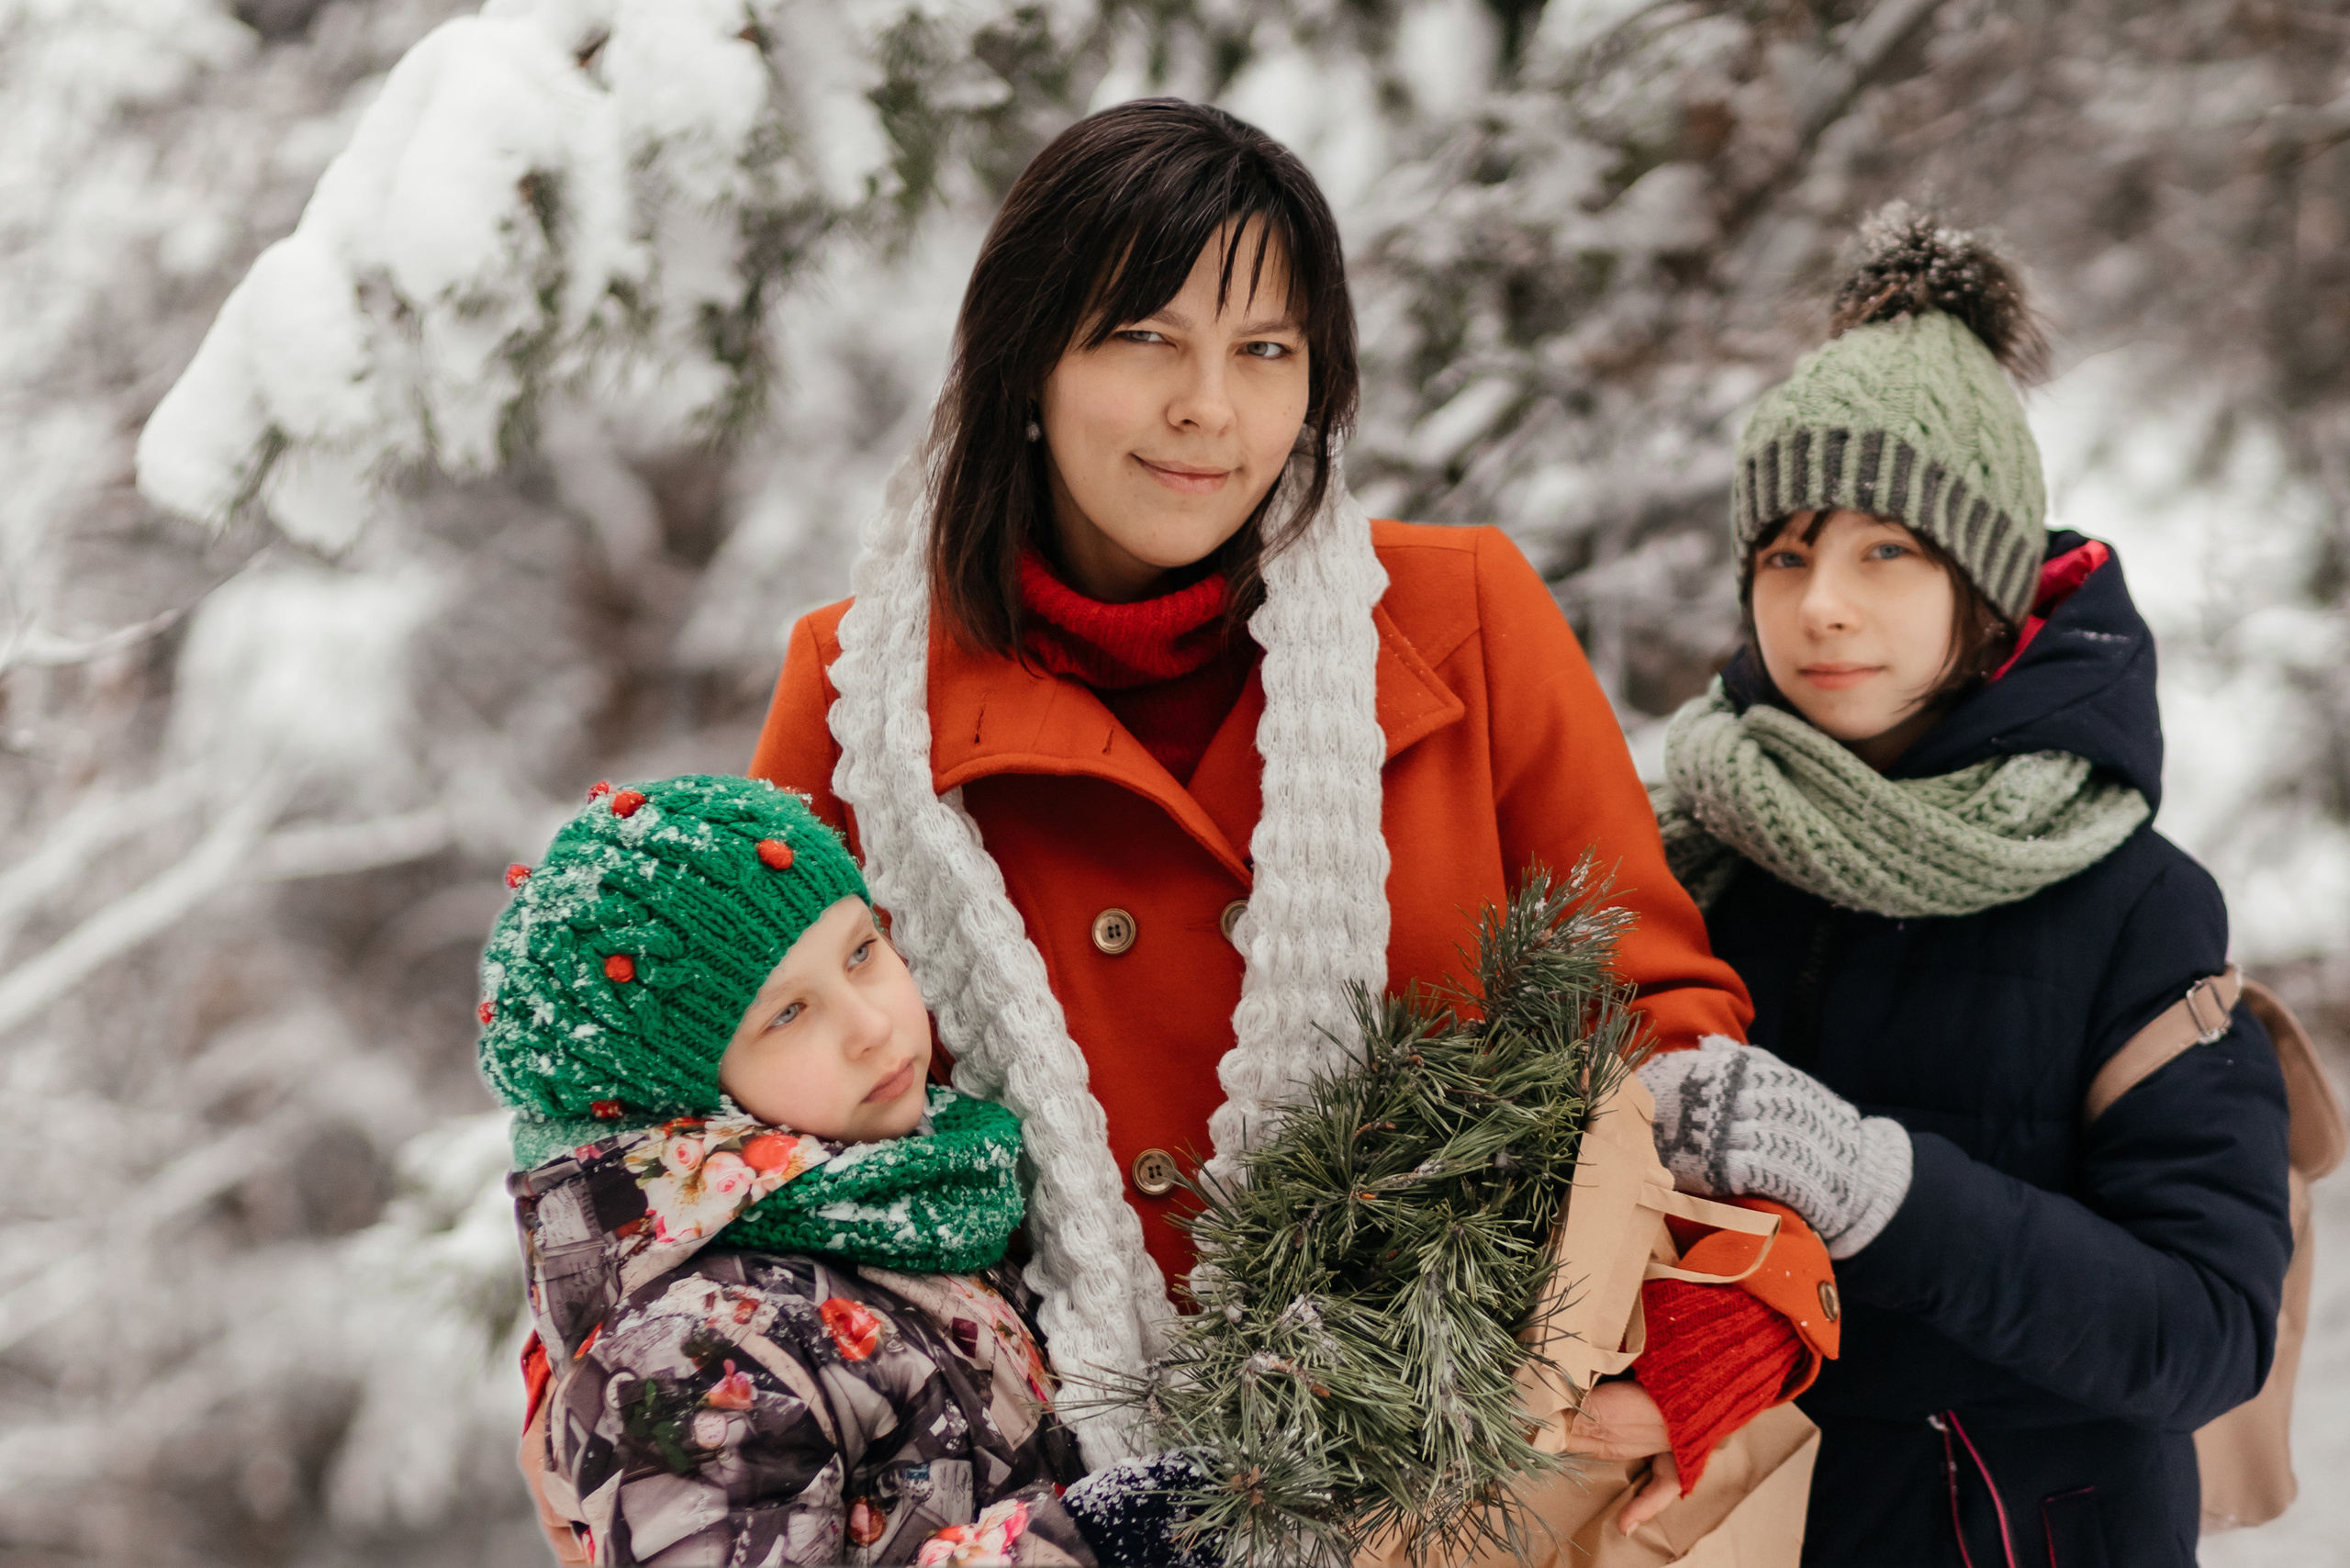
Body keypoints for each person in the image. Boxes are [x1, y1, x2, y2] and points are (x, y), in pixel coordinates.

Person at [745, 96, 1834, 1522]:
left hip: (1467, 1485)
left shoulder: (1464, 619)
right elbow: (730, 1111)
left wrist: (1729, 1309)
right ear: (1026, 366)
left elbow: (1657, 1018)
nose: (1211, 408)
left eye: (1266, 350)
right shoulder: (861, 698)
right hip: (1035, 1503)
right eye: (1147, 339)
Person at [1639, 205, 2295, 1565]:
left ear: (1986, 589)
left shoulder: (2135, 904)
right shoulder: (1689, 847)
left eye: (1886, 550)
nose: (1821, 603)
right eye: (1786, 552)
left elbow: (2205, 1331)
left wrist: (1873, 1186)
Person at [479, 775, 1103, 1566]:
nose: (872, 1025)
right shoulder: (697, 1351)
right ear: (682, 1104)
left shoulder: (919, 1192)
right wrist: (1094, 1543)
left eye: (862, 953)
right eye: (787, 1013)